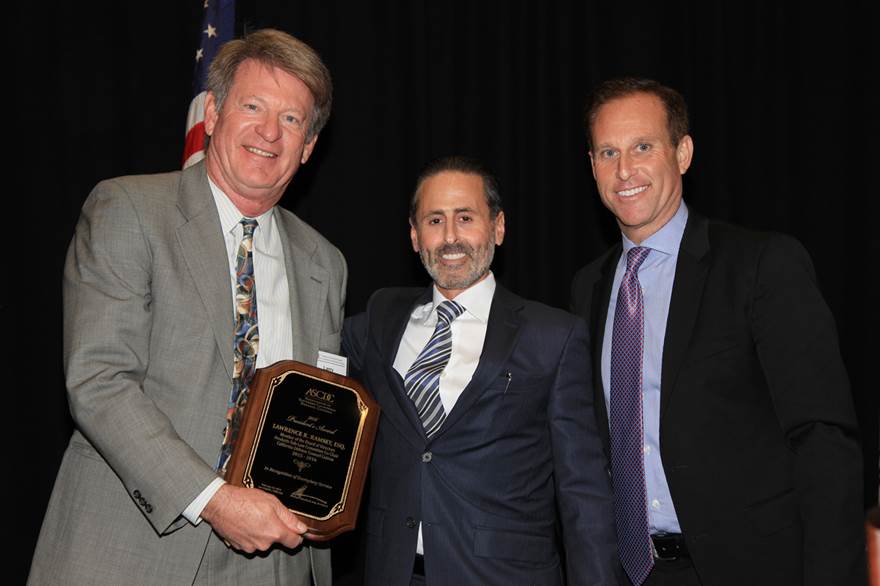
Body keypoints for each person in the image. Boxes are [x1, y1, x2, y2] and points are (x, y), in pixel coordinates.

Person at [28, 29, 346, 585]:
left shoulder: (325, 262)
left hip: (274, 562)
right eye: (253, 107)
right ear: (215, 114)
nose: (269, 132)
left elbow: (317, 406)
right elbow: (100, 379)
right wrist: (215, 499)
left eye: (292, 120)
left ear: (310, 145)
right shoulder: (129, 209)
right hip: (133, 547)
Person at [570, 77, 866, 585]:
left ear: (682, 153)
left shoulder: (760, 265)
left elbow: (823, 441)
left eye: (643, 146)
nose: (624, 170)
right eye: (607, 152)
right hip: (632, 574)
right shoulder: (587, 288)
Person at [343, 156, 622, 585]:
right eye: (435, 220)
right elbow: (313, 350)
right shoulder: (381, 317)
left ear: (498, 227)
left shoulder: (553, 336)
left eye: (466, 217)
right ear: (415, 236)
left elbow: (582, 492)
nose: (450, 236)